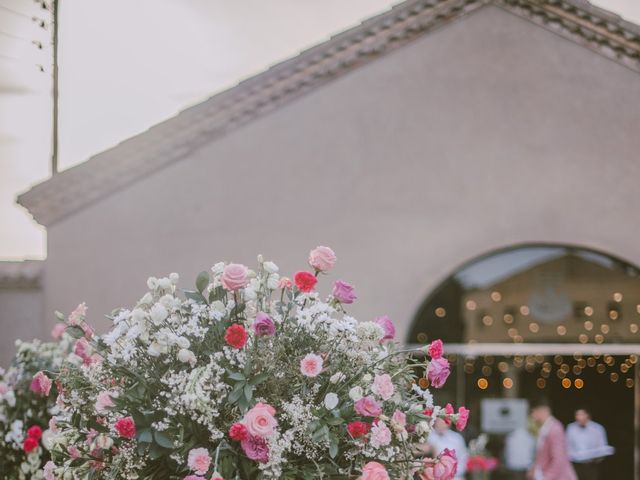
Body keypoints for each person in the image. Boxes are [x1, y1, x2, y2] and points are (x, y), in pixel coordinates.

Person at [528, 400, 577, 480]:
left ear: (541, 411)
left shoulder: (555, 428)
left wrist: (546, 478)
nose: (532, 416)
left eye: (532, 412)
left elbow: (558, 460)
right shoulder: (545, 428)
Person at [566, 408, 614, 480]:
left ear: (587, 415)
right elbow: (566, 447)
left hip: (591, 466)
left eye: (581, 414)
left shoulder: (597, 429)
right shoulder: (570, 428)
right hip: (575, 467)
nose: (578, 417)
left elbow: (602, 449)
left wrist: (594, 457)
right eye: (577, 415)